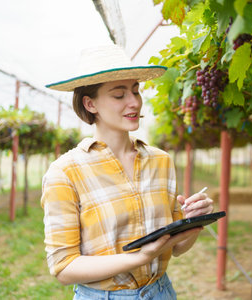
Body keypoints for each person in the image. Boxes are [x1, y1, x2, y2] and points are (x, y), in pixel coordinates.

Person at [42, 44, 214, 300]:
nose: (134, 102)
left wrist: (193, 221)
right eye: (119, 95)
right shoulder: (65, 172)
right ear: (90, 104)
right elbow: (64, 267)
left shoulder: (161, 161)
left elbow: (176, 247)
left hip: (161, 292)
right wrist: (138, 257)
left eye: (135, 91)